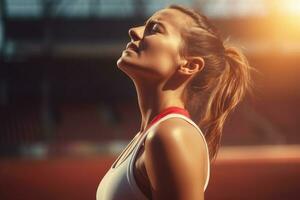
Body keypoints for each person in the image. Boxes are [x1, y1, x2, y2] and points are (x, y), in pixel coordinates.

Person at [97, 4, 255, 200]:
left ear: (189, 65)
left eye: (155, 29)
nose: (134, 31)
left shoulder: (170, 134)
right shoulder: (147, 137)